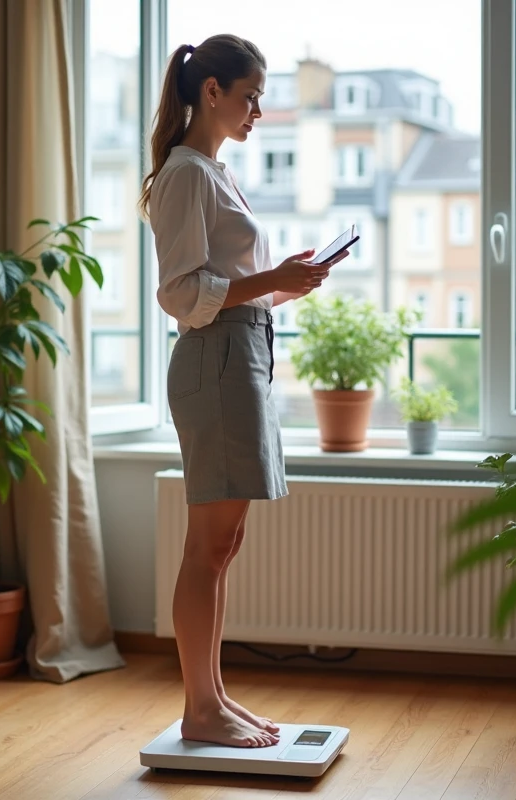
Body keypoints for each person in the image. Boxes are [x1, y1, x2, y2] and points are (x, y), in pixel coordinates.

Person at [139, 34, 347, 749]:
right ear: (212, 92)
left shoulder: (215, 173)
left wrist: (287, 279)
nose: (259, 109)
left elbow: (232, 290)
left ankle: (215, 697)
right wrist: (270, 282)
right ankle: (201, 709)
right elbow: (180, 293)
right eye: (251, 95)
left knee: (224, 542)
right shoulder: (187, 174)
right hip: (215, 363)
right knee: (209, 544)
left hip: (240, 354)